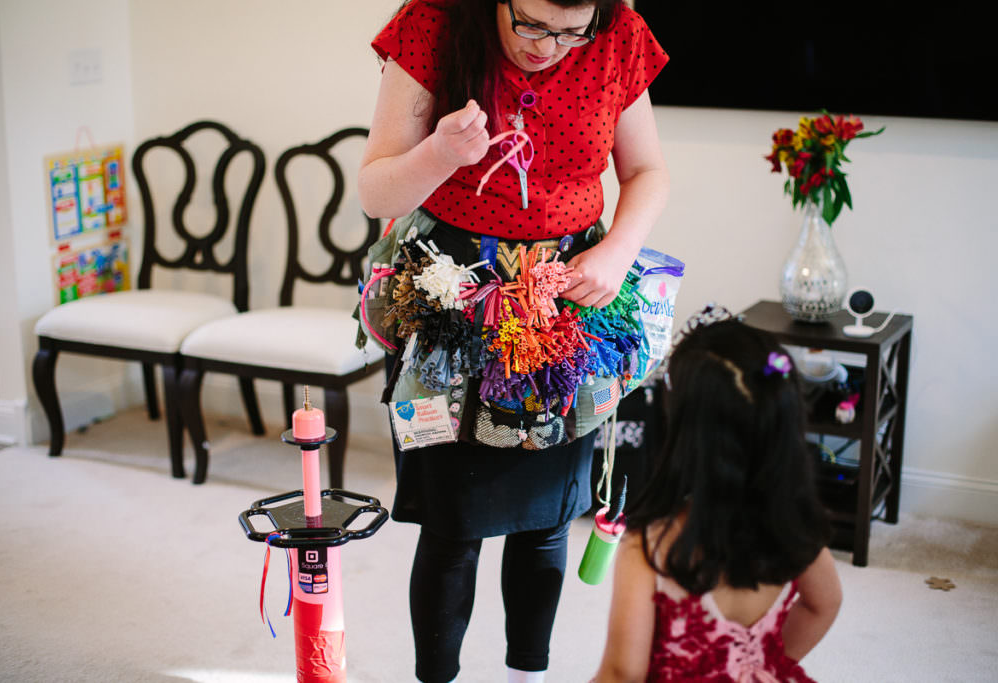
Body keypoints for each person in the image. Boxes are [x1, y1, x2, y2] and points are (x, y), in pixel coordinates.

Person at [359, 1, 670, 681]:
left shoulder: (616, 35)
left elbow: (648, 171)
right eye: (529, 22)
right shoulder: (434, 23)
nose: (547, 46)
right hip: (451, 301)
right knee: (453, 525)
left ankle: (527, 671)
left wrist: (617, 251)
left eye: (569, 30)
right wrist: (440, 152)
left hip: (566, 312)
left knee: (548, 522)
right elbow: (374, 188)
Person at [592, 311, 843, 682]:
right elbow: (824, 604)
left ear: (685, 430)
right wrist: (760, 664)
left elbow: (621, 672)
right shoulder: (793, 527)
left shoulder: (649, 545)